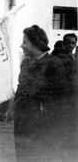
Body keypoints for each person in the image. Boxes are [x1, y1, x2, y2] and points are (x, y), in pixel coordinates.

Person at [14, 25, 72, 161]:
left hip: (41, 129)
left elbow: (59, 100)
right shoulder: (25, 63)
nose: (21, 46)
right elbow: (20, 88)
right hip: (22, 125)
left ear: (36, 44)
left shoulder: (53, 64)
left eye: (25, 42)